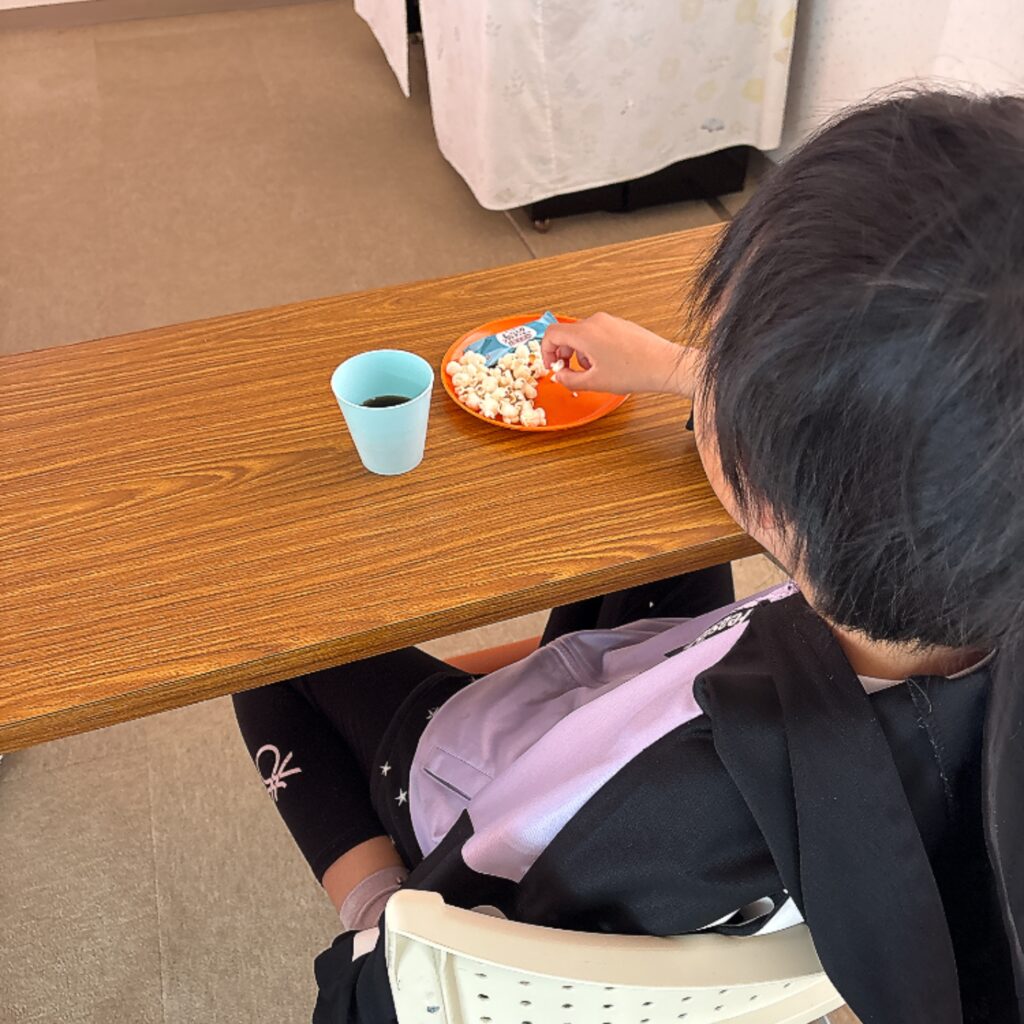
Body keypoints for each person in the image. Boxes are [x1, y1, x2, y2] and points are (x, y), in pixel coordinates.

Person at [233, 88, 1023, 1024]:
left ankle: (373, 889)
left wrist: (390, 936)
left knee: (268, 656)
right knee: (650, 555)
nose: (713, 367)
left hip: (489, 792)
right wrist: (668, 368)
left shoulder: (650, 805)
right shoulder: (976, 575)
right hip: (697, 686)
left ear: (776, 492)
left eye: (728, 354)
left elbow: (378, 994)